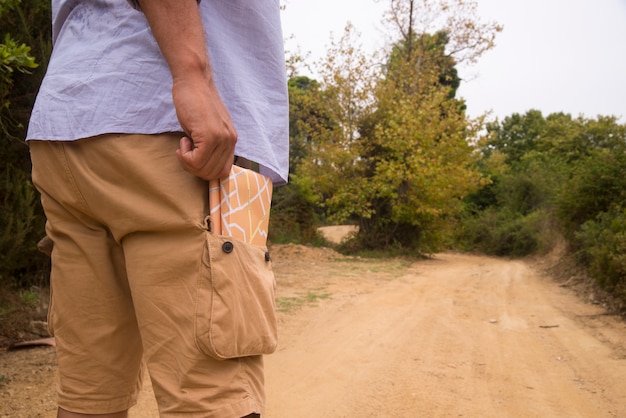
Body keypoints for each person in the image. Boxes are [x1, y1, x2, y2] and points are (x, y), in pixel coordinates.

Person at [26, 0, 289, 417]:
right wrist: (193, 77)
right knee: (210, 397)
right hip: (161, 124)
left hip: (65, 125)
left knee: (90, 399)